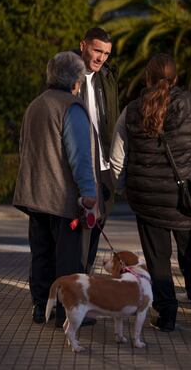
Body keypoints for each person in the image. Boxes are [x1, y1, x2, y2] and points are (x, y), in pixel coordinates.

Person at [110, 53, 191, 332]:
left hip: (147, 202)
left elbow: (116, 160)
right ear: (176, 79)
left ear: (147, 78)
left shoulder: (131, 110)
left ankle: (167, 316)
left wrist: (126, 188)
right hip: (187, 201)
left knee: (158, 261)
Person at [13, 52, 98, 328]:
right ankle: (68, 311)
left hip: (34, 195)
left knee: (41, 254)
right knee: (67, 258)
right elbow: (80, 157)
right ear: (75, 80)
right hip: (61, 198)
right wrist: (88, 192)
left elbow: (23, 148)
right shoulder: (71, 108)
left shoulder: (34, 105)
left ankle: (41, 307)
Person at [77, 27, 120, 271]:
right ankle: (71, 281)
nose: (101, 58)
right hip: (78, 167)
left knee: (97, 227)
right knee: (75, 230)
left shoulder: (108, 79)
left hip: (104, 168)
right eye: (96, 50)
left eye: (106, 53)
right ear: (83, 46)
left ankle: (84, 277)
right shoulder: (65, 74)